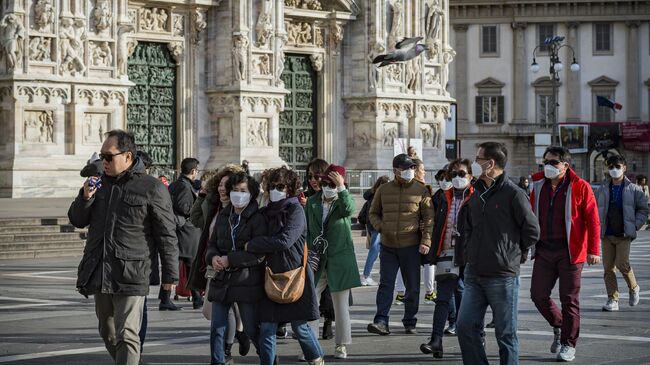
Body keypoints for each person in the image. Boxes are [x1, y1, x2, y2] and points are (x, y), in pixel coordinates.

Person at [68, 130, 179, 365]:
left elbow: (167, 234)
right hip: (100, 268)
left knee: (127, 333)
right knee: (107, 331)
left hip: (132, 271)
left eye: (108, 157)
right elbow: (77, 219)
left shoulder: (152, 187)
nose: (103, 162)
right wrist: (85, 196)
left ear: (127, 156)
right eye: (101, 156)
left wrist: (171, 275)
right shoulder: (98, 183)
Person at [456, 142, 540, 365]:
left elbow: (532, 230)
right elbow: (468, 227)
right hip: (474, 272)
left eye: (478, 158)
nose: (474, 162)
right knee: (464, 326)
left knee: (505, 334)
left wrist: (514, 252)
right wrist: (468, 253)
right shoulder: (477, 192)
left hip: (502, 275)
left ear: (490, 163)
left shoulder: (514, 193)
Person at [245, 167, 324, 365]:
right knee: (267, 328)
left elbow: (285, 240)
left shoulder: (295, 210)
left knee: (300, 327)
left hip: (294, 274)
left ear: (290, 188)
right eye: (271, 186)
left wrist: (253, 244)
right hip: (271, 275)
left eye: (280, 187)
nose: (275, 190)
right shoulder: (265, 212)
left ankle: (316, 359)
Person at [529, 146, 601, 362]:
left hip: (571, 251)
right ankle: (559, 324)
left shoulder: (580, 187)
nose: (548, 166)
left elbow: (593, 219)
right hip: (544, 249)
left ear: (565, 166)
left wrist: (594, 250)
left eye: (553, 163)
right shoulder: (538, 185)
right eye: (546, 162)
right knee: (538, 295)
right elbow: (531, 215)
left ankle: (568, 344)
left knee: (569, 299)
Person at [367, 153, 433, 336]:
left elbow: (429, 218)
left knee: (412, 286)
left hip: (411, 245)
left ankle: (410, 321)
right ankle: (381, 320)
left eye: (412, 168)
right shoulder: (383, 189)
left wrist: (426, 240)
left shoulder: (422, 190)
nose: (410, 171)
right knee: (386, 284)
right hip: (388, 245)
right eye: (406, 168)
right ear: (396, 170)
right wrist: (382, 227)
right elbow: (373, 213)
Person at [188, 166, 250, 360]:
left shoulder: (239, 209)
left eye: (227, 185)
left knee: (221, 309)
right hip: (212, 264)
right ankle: (240, 332)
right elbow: (196, 219)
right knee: (211, 312)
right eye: (221, 184)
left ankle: (226, 350)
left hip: (232, 266)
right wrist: (201, 196)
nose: (223, 189)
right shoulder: (213, 206)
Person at [207, 171, 266, 365]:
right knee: (217, 327)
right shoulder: (224, 215)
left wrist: (230, 259)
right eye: (234, 190)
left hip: (246, 281)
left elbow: (258, 253)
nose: (237, 194)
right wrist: (214, 257)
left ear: (251, 193)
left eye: (242, 190)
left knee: (251, 328)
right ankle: (217, 361)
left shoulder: (257, 218)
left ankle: (268, 357)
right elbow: (212, 244)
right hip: (222, 280)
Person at [420, 158, 474, 358]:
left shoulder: (476, 197)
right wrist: (432, 252)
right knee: (442, 299)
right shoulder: (443, 197)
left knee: (470, 300)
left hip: (470, 256)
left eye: (461, 174)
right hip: (446, 253)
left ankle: (478, 335)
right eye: (454, 175)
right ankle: (436, 340)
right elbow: (435, 225)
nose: (457, 178)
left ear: (470, 177)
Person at [306, 164, 361, 359]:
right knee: (310, 302)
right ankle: (310, 346)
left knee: (340, 305)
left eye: (331, 183)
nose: (327, 186)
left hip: (339, 259)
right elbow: (308, 231)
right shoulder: (312, 202)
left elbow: (349, 210)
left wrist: (341, 188)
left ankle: (341, 345)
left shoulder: (343, 200)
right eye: (325, 182)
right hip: (317, 259)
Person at [596, 155, 649, 312]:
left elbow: (644, 210)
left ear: (624, 167)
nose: (614, 170)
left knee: (622, 263)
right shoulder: (602, 189)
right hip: (607, 234)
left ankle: (633, 287)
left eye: (617, 166)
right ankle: (613, 298)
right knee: (608, 268)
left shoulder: (634, 189)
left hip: (624, 234)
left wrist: (635, 225)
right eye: (611, 167)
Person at [301, 157, 335, 340]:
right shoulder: (305, 198)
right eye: (309, 177)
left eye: (316, 176)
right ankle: (310, 329)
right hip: (313, 251)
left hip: (331, 251)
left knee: (331, 292)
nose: (313, 180)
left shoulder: (333, 196)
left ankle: (329, 320)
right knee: (312, 289)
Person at [166, 157, 203, 310]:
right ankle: (195, 298)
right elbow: (184, 207)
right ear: (193, 171)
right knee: (190, 264)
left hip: (179, 230)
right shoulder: (184, 186)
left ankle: (194, 297)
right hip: (186, 230)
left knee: (177, 264)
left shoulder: (176, 184)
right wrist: (197, 206)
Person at [360, 175, 391, 286]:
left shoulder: (372, 194)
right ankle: (366, 275)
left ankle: (375, 275)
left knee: (380, 251)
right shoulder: (378, 196)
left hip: (374, 226)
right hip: (378, 226)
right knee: (374, 250)